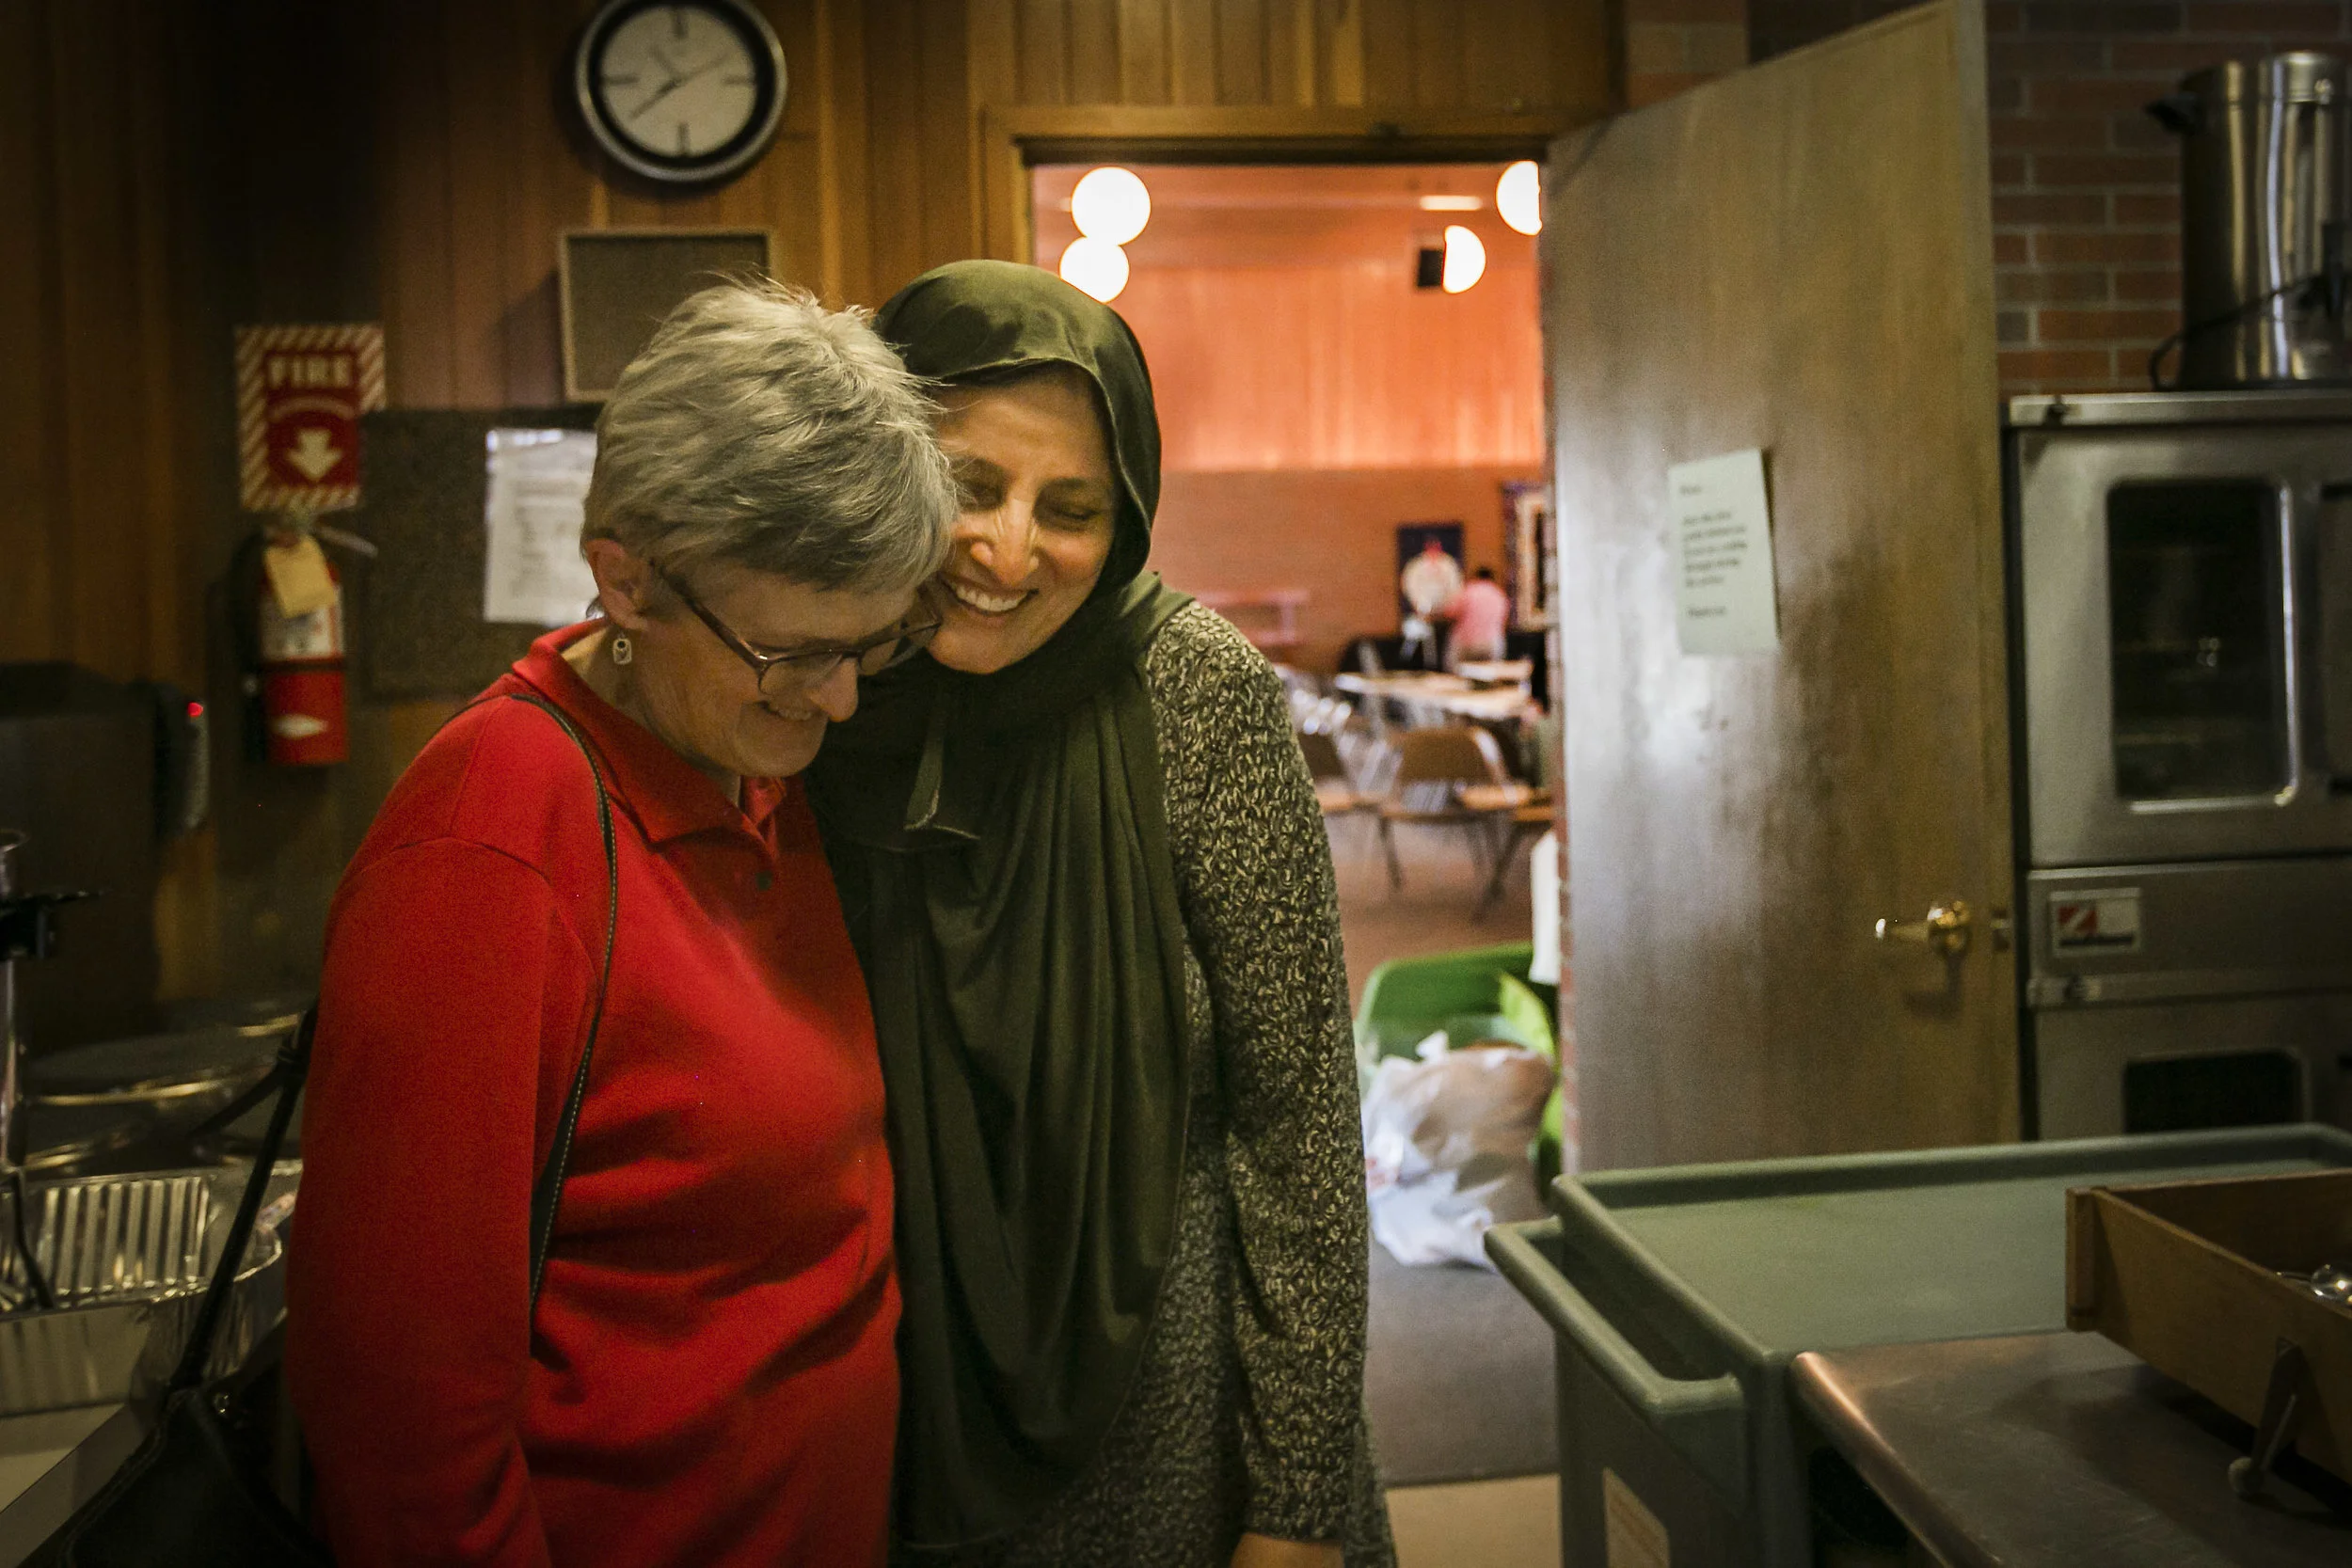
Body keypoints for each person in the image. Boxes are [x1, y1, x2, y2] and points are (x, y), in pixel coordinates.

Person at [285, 281, 957, 1568]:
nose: (842, 699)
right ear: (627, 583)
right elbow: (400, 1423)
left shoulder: (748, 749)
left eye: (873, 644)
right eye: (796, 651)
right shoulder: (494, 837)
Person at [810, 261, 1392, 1568]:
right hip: (885, 1404)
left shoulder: (1193, 694)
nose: (1010, 550)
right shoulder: (805, 690)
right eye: (971, 486)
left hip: (1180, 1421)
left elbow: (1298, 1109)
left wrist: (1295, 1497)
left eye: (1069, 508)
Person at [1446, 566, 1512, 669]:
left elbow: (1450, 613)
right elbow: (1504, 619)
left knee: (1458, 673)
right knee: (1490, 675)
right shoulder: (1499, 595)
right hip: (1492, 643)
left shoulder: (1468, 591)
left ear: (1476, 577)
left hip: (1467, 643)